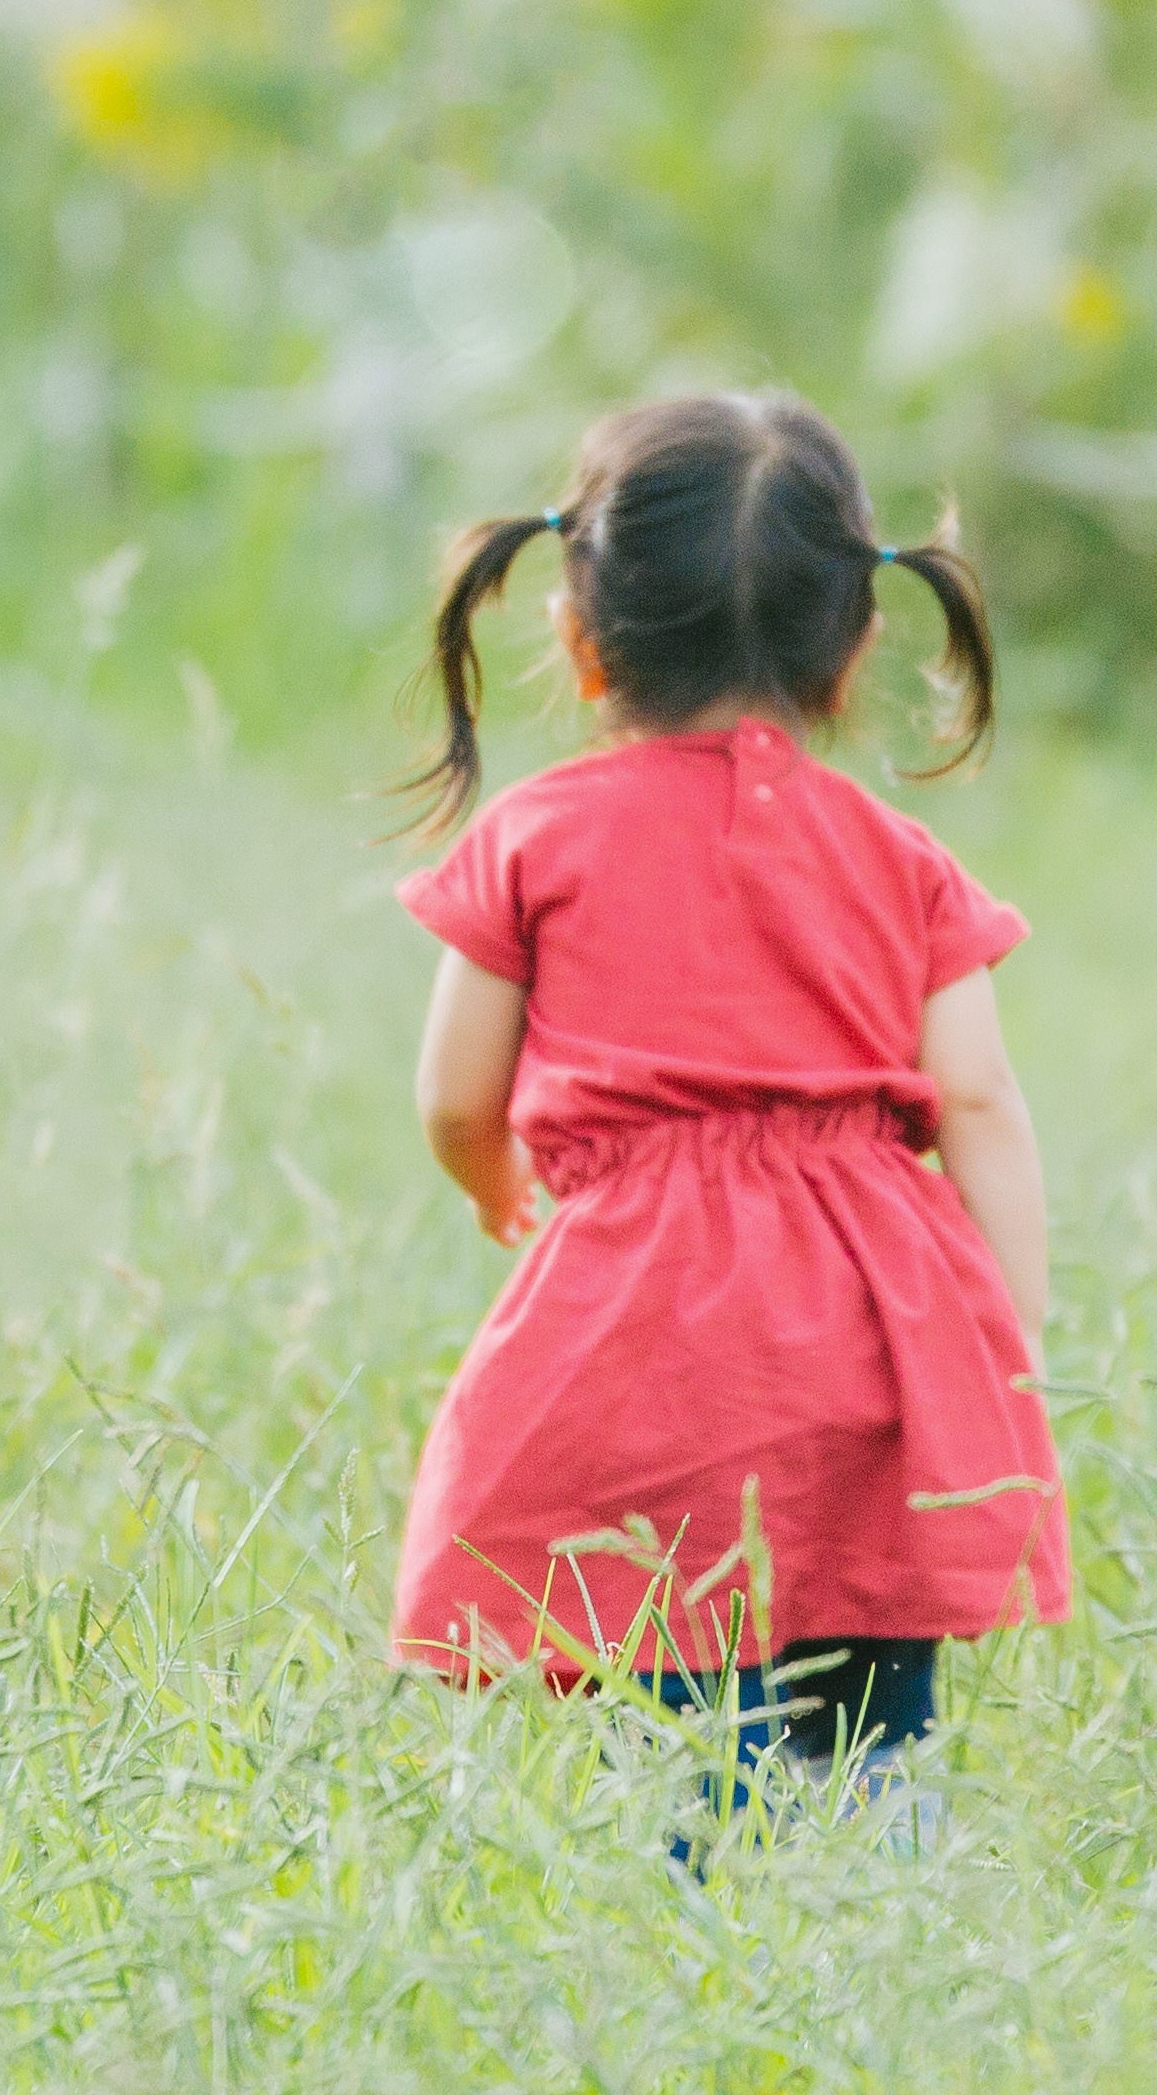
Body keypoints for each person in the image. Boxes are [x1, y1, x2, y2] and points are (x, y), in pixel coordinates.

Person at [382, 388, 1068, 1846]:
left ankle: (709, 1943)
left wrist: (495, 1180)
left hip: (650, 1349)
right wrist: (1001, 1346)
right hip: (876, 1341)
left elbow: (454, 1092)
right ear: (858, 645)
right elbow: (978, 1101)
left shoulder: (537, 838)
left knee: (694, 1729)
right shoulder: (904, 860)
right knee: (873, 1728)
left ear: (578, 639)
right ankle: (883, 1934)